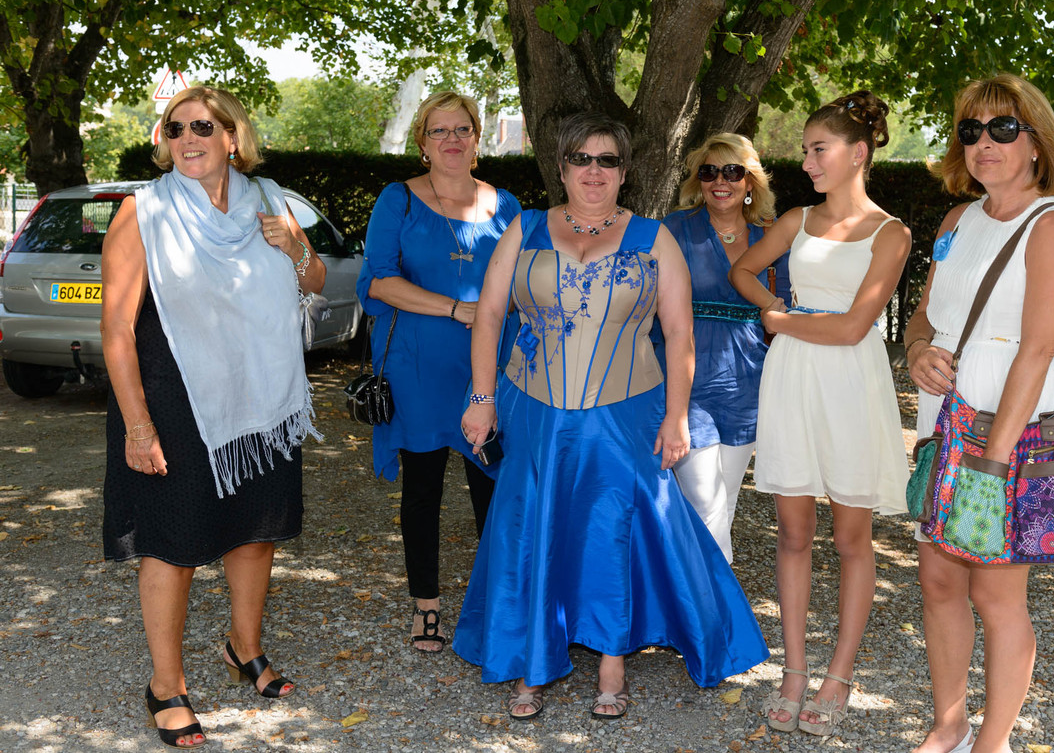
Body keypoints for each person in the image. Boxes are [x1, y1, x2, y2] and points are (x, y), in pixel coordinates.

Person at [454, 112, 768, 721]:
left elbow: (679, 334)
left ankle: (612, 663)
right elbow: (489, 315)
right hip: (536, 409)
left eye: (607, 160)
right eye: (581, 159)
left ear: (624, 172)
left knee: (612, 530)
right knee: (533, 524)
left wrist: (677, 418)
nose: (593, 171)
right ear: (561, 167)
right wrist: (482, 398)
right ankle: (531, 661)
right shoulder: (524, 228)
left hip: (626, 412)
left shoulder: (653, 238)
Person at [101, 86, 325, 749]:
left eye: (202, 126)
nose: (187, 139)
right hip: (171, 398)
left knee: (255, 531)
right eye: (174, 129)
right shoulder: (142, 212)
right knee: (171, 544)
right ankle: (165, 685)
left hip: (260, 395)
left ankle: (243, 648)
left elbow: (314, 279)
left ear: (232, 136)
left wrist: (294, 248)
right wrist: (138, 426)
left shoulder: (269, 200)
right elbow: (116, 330)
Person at [902, 74, 1054, 753]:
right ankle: (948, 725)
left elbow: (1035, 351)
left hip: (1008, 433)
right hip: (943, 416)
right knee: (938, 580)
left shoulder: (1051, 224)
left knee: (997, 596)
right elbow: (925, 314)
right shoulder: (957, 221)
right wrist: (916, 350)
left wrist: (993, 465)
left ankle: (992, 743)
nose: (984, 142)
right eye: (971, 129)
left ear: (1036, 143)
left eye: (1003, 128)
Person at [729, 91, 912, 737]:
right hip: (794, 380)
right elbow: (744, 271)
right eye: (806, 151)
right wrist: (771, 306)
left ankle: (839, 675)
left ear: (857, 153)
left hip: (851, 382)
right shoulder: (797, 220)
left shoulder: (891, 233)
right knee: (792, 533)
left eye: (818, 149)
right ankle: (795, 672)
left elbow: (854, 327)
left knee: (851, 538)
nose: (806, 162)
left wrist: (780, 321)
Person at [356, 91, 521, 654]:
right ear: (422, 143)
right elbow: (379, 282)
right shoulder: (397, 199)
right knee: (423, 490)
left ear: (478, 138)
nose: (452, 139)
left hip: (490, 370)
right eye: (438, 130)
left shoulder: (507, 205)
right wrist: (457, 309)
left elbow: (526, 282)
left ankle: (495, 606)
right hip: (418, 369)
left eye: (462, 129)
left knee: (493, 486)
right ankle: (425, 606)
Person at [658, 132, 789, 563]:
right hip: (687, 377)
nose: (720, 181)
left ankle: (694, 594)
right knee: (705, 500)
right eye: (709, 171)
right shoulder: (675, 229)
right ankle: (716, 602)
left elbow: (787, 305)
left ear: (750, 181)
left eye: (732, 171)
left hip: (749, 380)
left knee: (724, 501)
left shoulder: (771, 236)